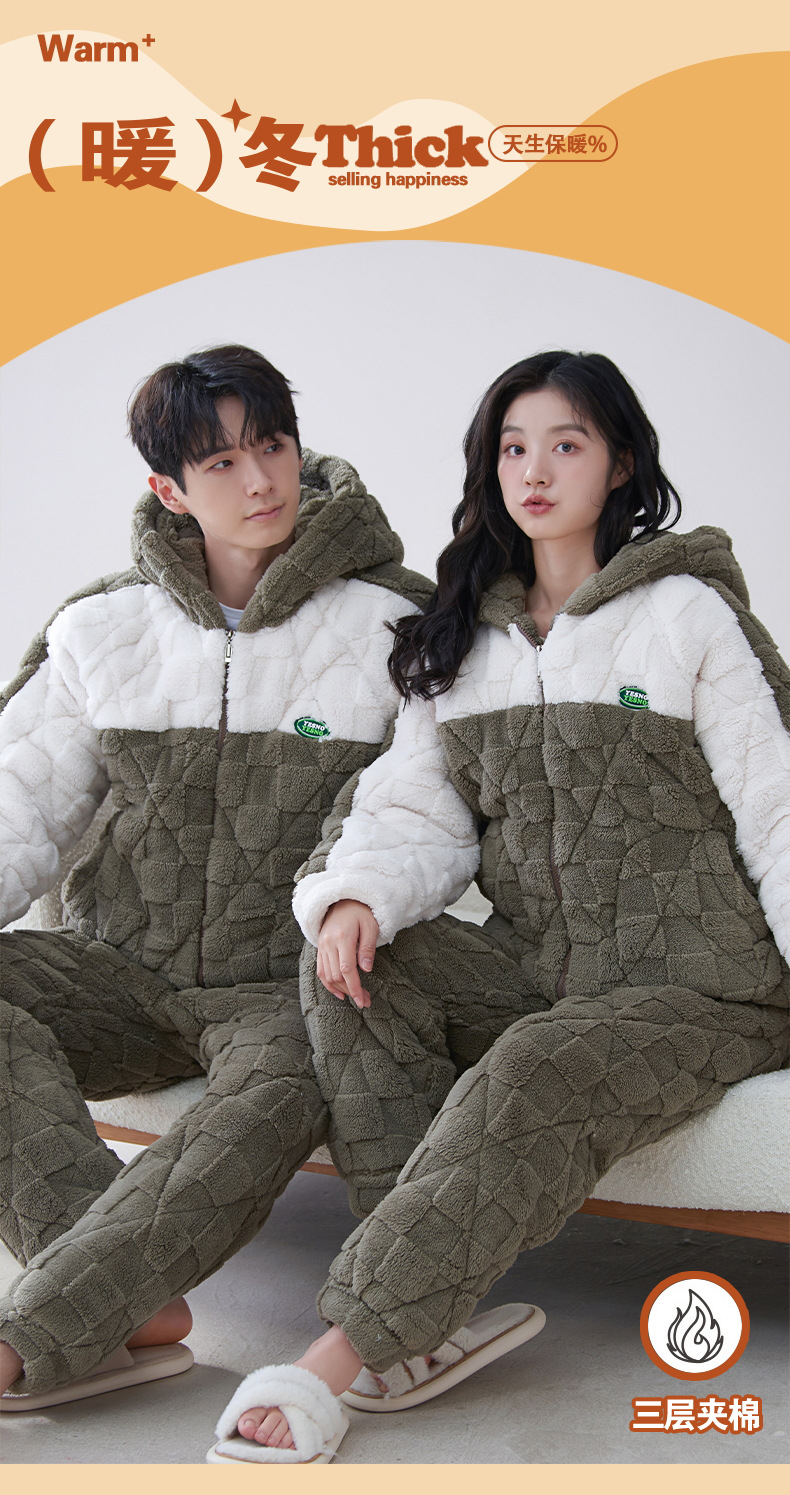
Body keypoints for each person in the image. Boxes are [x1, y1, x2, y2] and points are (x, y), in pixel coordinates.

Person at [211, 350, 790, 1462]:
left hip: (703, 983)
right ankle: (424, 1316)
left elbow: (776, 810)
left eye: (567, 444)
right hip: (543, 966)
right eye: (513, 447)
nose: (535, 470)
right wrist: (357, 897)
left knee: (536, 1061)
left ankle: (344, 1350)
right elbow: (414, 805)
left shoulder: (685, 617)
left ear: (620, 465)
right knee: (355, 965)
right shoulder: (463, 640)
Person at [0, 343, 431, 1410]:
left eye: (271, 446)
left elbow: (423, 806)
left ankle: (43, 1330)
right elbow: (20, 803)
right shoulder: (100, 629)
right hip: (116, 968)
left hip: (285, 988)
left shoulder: (398, 624)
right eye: (222, 463)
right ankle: (127, 1301)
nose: (261, 480)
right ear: (169, 489)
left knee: (287, 1086)